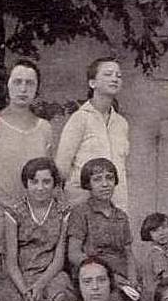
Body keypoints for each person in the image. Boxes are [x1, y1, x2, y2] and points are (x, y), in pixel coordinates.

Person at [0, 60, 53, 278]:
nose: (23, 89)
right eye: (17, 82)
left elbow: (47, 175)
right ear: (7, 86)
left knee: (29, 270)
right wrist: (9, 203)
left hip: (32, 215)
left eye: (30, 83)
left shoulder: (44, 128)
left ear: (37, 89)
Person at [0, 157, 75, 301]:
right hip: (20, 275)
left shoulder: (63, 211)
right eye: (34, 182)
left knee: (60, 300)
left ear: (54, 183)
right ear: (26, 183)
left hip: (50, 274)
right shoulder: (14, 212)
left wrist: (40, 285)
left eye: (46, 181)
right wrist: (25, 290)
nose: (40, 187)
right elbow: (11, 262)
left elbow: (58, 259)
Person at [55, 56, 130, 210]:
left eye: (118, 75)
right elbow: (61, 167)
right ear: (92, 83)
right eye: (108, 74)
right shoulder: (80, 119)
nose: (115, 79)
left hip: (116, 205)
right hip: (83, 204)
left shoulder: (121, 123)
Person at [66, 158, 139, 301]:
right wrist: (107, 274)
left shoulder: (121, 216)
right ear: (88, 184)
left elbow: (128, 253)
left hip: (123, 277)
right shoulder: (81, 213)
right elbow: (73, 254)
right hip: (95, 277)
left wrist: (132, 278)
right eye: (97, 180)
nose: (105, 184)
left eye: (109, 178)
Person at [134, 212, 168, 301]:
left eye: (164, 228)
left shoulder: (164, 251)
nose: (161, 233)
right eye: (155, 230)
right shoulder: (156, 253)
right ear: (148, 234)